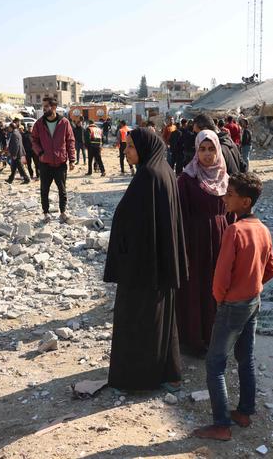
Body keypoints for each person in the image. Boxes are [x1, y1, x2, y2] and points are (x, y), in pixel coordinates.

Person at [192, 172, 273, 441]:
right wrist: (252, 284)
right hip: (253, 301)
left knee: (215, 364)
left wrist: (221, 298)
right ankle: (244, 411)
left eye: (230, 194)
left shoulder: (234, 230)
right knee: (245, 358)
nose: (225, 197)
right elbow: (270, 269)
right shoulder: (263, 229)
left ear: (245, 201)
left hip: (232, 305)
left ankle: (221, 425)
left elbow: (221, 275)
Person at [104, 127, 188, 391]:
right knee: (160, 320)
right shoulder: (163, 171)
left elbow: (137, 226)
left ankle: (139, 378)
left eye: (130, 146)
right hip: (157, 263)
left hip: (143, 269)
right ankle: (164, 372)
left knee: (139, 320)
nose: (125, 151)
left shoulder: (149, 176)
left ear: (144, 148)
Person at [176, 130, 229, 356]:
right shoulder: (187, 179)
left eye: (211, 149)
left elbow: (233, 213)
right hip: (195, 242)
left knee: (218, 288)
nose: (207, 154)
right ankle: (196, 340)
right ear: (196, 151)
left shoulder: (225, 177)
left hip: (221, 240)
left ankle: (218, 338)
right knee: (197, 288)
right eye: (202, 149)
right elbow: (179, 215)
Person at [31, 97, 76, 223]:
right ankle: (46, 213)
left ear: (54, 107)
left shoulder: (64, 122)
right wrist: (40, 153)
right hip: (45, 163)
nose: (43, 109)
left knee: (62, 189)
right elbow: (33, 140)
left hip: (61, 163)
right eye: (43, 107)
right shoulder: (39, 124)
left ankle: (63, 212)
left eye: (46, 106)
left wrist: (72, 159)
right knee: (44, 190)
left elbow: (70, 141)